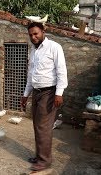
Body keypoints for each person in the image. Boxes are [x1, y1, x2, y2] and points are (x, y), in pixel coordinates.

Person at [20, 22, 68, 172]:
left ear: (43, 32)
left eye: (36, 33)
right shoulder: (34, 51)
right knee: (37, 125)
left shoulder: (54, 47)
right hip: (36, 91)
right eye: (31, 35)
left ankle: (45, 161)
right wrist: (25, 94)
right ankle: (40, 155)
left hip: (49, 92)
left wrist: (59, 93)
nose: (33, 37)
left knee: (44, 127)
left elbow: (61, 71)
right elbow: (31, 75)